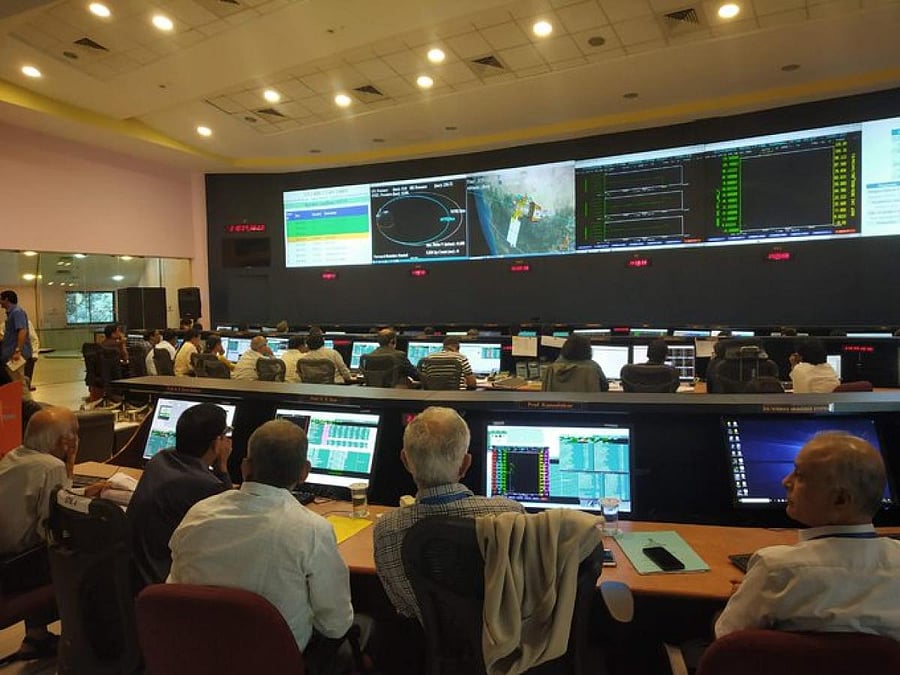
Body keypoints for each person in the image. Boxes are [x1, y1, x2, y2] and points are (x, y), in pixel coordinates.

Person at [168, 419, 354, 655]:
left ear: (245, 467)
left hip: (191, 654)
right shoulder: (313, 530)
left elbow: (173, 588)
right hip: (270, 660)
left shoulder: (199, 513)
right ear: (304, 472)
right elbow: (335, 625)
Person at [715, 432, 900, 640]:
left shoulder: (776, 569)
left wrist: (749, 596)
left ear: (840, 500)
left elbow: (728, 638)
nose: (785, 481)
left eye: (800, 476)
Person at [374, 406, 524, 620]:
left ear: (405, 461)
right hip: (507, 636)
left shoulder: (386, 531)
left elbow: (404, 609)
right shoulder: (512, 515)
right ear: (465, 464)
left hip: (431, 639)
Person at [0, 407, 103, 662]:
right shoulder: (52, 466)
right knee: (80, 554)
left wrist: (79, 492)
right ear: (65, 441)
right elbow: (57, 524)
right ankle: (87, 644)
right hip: (13, 569)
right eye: (76, 433)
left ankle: (37, 635)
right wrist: (70, 462)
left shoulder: (15, 455)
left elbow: (49, 502)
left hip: (5, 558)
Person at [128, 402, 233, 587]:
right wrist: (223, 467)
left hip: (136, 573)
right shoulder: (206, 485)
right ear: (217, 443)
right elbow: (231, 523)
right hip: (163, 580)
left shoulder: (158, 460)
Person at [543, 334, 609, 392]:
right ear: (587, 350)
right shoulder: (593, 367)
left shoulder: (552, 368)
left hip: (557, 402)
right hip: (585, 402)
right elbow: (605, 387)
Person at [0, 290, 33, 394]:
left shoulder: (17, 312)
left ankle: (27, 402)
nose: (0, 302)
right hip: (10, 353)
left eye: (1, 299)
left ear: (6, 299)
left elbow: (22, 331)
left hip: (16, 354)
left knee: (18, 381)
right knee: (16, 379)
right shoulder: (11, 314)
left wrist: (17, 350)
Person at [23, 318, 40, 392]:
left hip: (27, 356)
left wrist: (35, 353)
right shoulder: (5, 325)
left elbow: (34, 339)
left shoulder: (27, 323)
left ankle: (26, 389)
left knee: (26, 377)